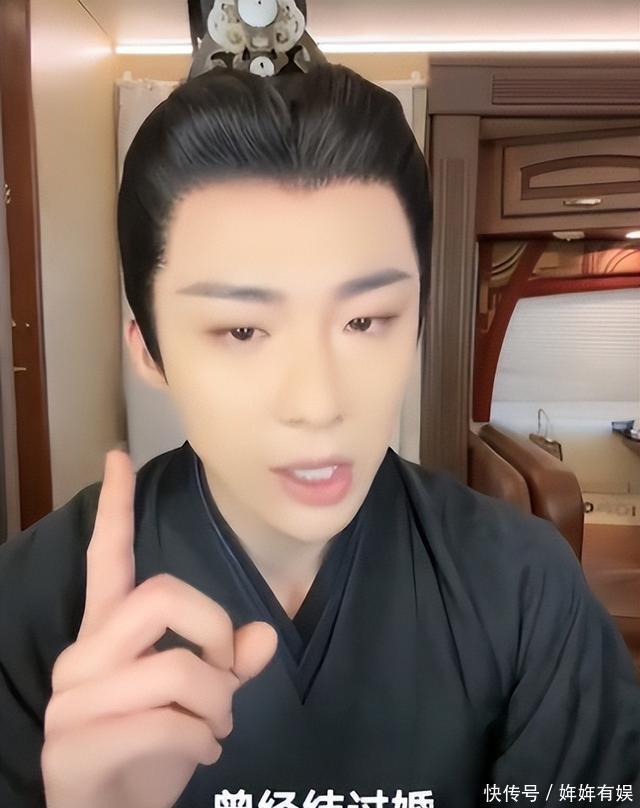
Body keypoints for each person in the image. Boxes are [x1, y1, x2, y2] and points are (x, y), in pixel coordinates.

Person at [0, 62, 638, 808]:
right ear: (150, 353)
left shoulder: (525, 589)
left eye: (364, 321)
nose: (317, 403)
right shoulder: (32, 603)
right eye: (242, 330)